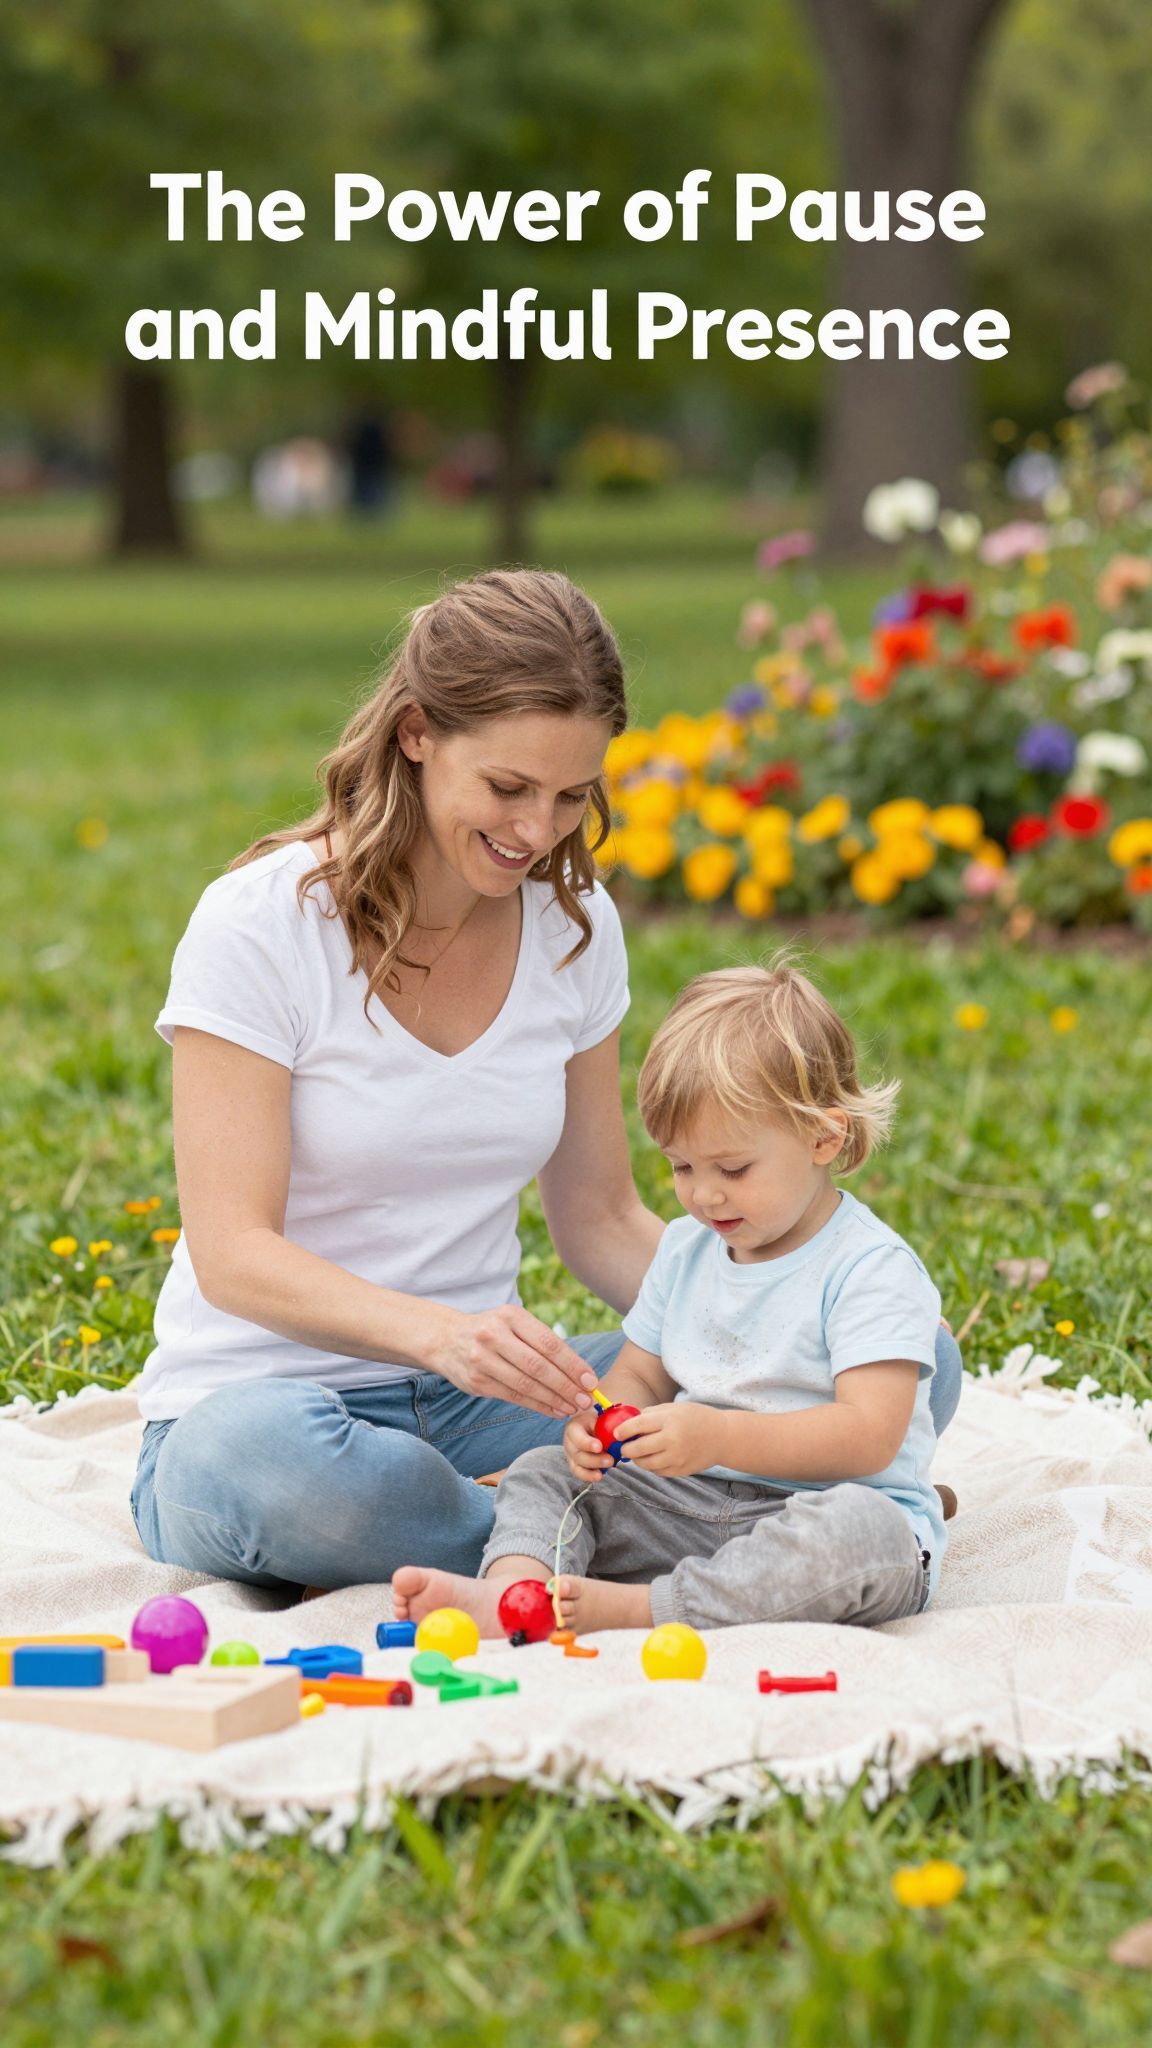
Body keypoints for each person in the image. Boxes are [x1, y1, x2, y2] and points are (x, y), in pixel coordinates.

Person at [394, 959, 954, 1636]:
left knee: (862, 1532)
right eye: (681, 1166)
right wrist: (605, 1423)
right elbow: (641, 1372)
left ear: (823, 1137)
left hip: (822, 1508)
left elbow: (868, 1436)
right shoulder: (687, 1249)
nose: (704, 1194)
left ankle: (641, 1609)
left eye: (733, 1168)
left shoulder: (869, 1267)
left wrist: (719, 1435)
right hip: (688, 1506)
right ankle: (517, 1593)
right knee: (543, 1471)